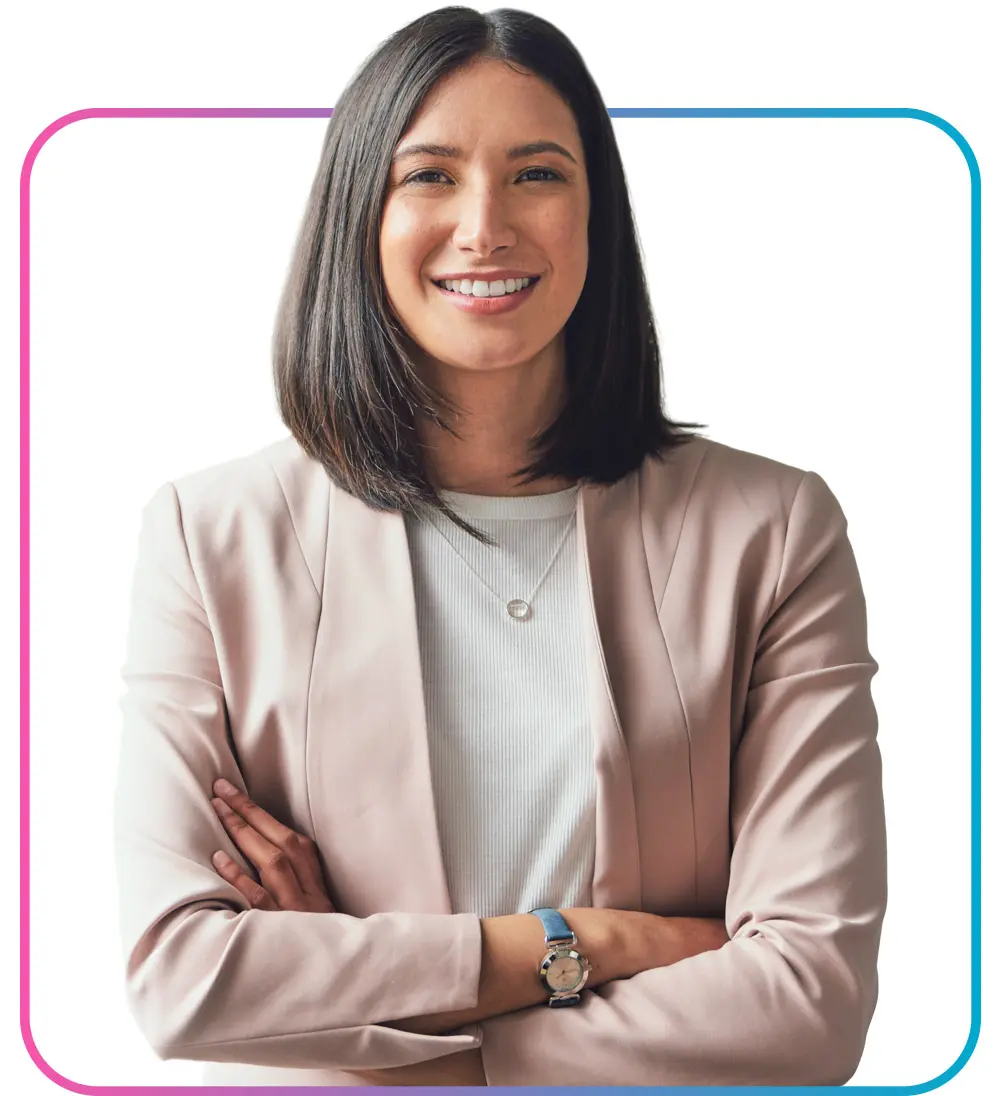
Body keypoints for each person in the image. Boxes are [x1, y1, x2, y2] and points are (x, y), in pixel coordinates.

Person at [112, 5, 888, 1088]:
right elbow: (185, 979)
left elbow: (809, 1005)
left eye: (536, 174)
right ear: (358, 216)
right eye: (428, 175)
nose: (484, 227)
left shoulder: (771, 531)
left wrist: (359, 1009)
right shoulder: (211, 537)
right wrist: (587, 944)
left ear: (595, 214)